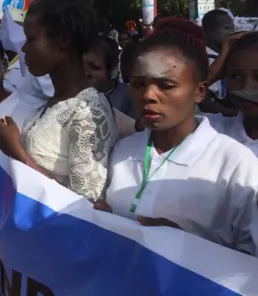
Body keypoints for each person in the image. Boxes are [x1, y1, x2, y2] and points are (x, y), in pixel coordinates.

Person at [99, 19, 258, 255]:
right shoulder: (121, 151)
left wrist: (187, 246)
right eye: (138, 84)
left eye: (166, 85)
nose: (148, 95)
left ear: (200, 91)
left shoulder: (236, 164)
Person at [0, 0, 118, 202]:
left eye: (31, 39)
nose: (24, 49)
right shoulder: (55, 102)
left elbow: (85, 206)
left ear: (62, 42)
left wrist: (14, 149)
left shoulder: (89, 110)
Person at [84, 35, 137, 119]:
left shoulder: (129, 96)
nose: (87, 73)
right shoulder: (73, 96)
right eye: (82, 67)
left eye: (95, 68)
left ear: (112, 66)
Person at [201, 9, 236, 113]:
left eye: (232, 28)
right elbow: (206, 103)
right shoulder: (201, 59)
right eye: (226, 28)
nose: (232, 32)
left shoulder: (232, 54)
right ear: (209, 31)